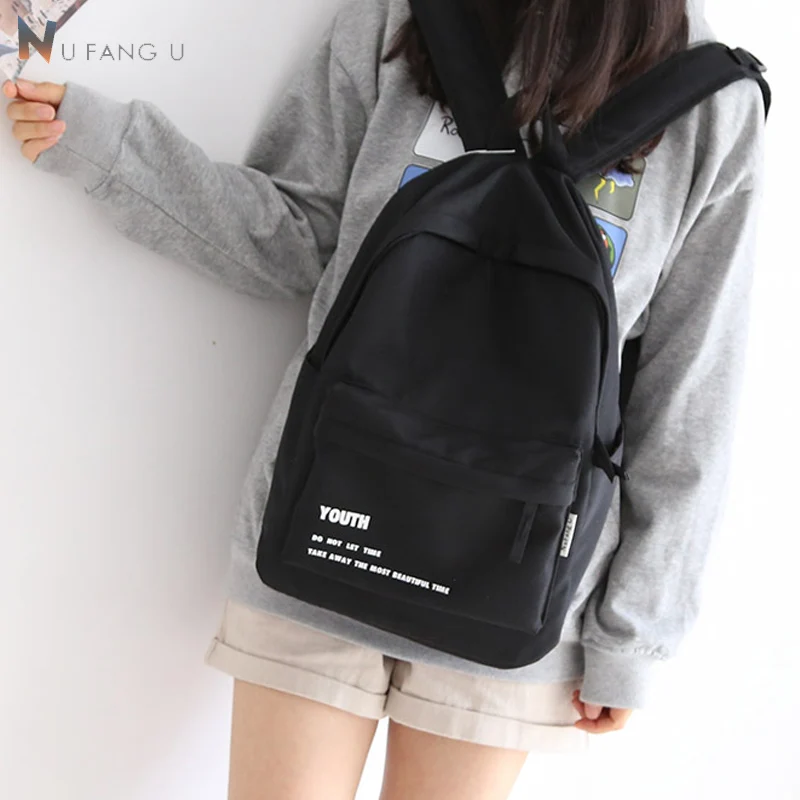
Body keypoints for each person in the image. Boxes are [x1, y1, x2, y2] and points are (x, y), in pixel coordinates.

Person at [2, 0, 766, 796]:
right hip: (321, 536)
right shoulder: (404, 17)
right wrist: (105, 145)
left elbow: (688, 398)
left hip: (516, 591)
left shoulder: (707, 102)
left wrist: (632, 640)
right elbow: (297, 238)